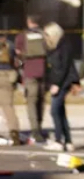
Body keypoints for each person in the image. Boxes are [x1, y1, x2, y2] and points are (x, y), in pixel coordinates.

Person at [43, 23, 79, 152]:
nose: (46, 37)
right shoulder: (57, 46)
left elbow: (62, 68)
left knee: (54, 111)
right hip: (60, 81)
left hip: (62, 82)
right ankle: (68, 141)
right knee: (61, 112)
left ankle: (59, 140)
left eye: (48, 34)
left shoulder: (63, 47)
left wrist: (56, 84)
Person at [14, 15, 49, 143]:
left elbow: (18, 54)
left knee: (31, 102)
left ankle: (35, 130)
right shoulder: (44, 35)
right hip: (43, 72)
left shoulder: (22, 36)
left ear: (28, 22)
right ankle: (39, 126)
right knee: (41, 101)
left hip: (29, 72)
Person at [0, 36, 19, 145]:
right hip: (8, 76)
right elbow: (18, 61)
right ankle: (14, 132)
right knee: (8, 107)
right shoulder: (10, 45)